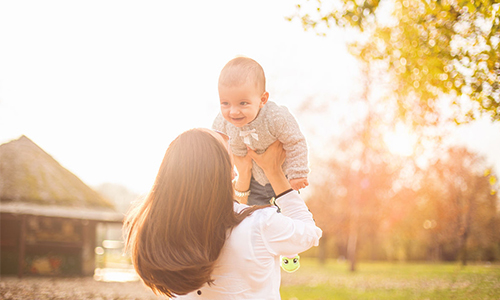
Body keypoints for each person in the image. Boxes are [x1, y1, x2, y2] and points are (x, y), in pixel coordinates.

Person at [124, 128, 322, 299]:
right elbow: (309, 233)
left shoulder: (160, 231)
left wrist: (244, 178)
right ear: (229, 173)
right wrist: (274, 172)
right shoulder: (262, 224)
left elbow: (225, 219)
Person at [213, 56, 310, 206]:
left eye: (243, 103)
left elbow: (295, 142)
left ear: (262, 100)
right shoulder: (222, 122)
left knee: (286, 218)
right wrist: (227, 171)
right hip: (253, 185)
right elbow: (217, 147)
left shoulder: (276, 117)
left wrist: (297, 173)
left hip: (282, 180)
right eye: (225, 103)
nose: (233, 112)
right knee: (253, 217)